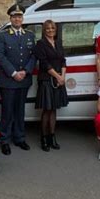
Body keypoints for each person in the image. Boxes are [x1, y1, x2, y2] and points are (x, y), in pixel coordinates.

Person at [0, 4, 36, 155]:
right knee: (7, 111)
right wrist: (13, 73)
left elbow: (33, 56)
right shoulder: (3, 36)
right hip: (8, 80)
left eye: (19, 16)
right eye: (14, 16)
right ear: (10, 18)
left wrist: (25, 71)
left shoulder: (29, 35)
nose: (17, 19)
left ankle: (19, 138)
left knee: (20, 110)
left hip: (24, 79)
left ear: (22, 18)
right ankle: (5, 140)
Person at [33, 20, 68, 151]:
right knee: (47, 110)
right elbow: (44, 63)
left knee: (54, 110)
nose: (50, 30)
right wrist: (58, 76)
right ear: (44, 30)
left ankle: (52, 137)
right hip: (47, 79)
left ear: (56, 29)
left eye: (52, 28)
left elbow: (63, 60)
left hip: (58, 80)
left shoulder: (58, 43)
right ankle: (44, 138)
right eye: (47, 28)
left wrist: (63, 77)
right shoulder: (40, 44)